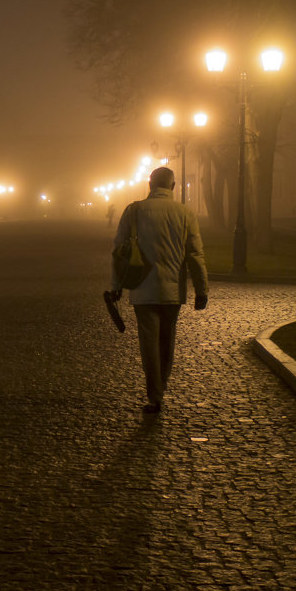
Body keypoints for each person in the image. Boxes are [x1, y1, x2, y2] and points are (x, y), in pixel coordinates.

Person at [110, 167, 208, 414]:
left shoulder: (134, 211)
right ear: (173, 187)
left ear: (150, 184)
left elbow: (119, 253)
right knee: (167, 339)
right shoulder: (185, 213)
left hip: (143, 288)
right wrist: (201, 290)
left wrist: (116, 286)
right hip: (172, 290)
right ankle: (161, 385)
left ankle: (155, 395)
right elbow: (195, 254)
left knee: (149, 343)